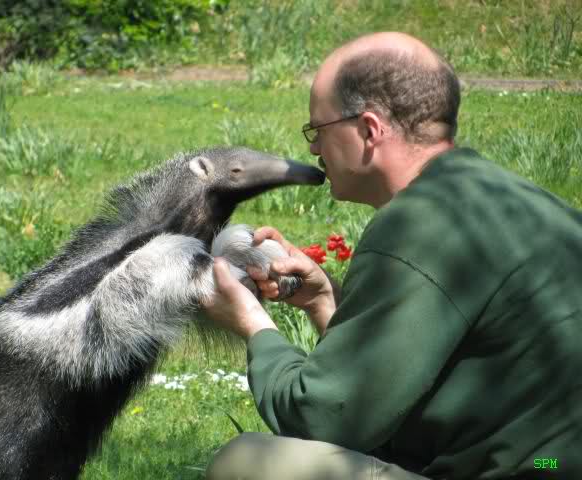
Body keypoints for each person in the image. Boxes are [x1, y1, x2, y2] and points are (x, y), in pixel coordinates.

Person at [202, 32, 582, 479]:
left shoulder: (418, 225)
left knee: (244, 462)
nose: (313, 149)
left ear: (369, 130)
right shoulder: (510, 200)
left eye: (318, 130)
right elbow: (398, 386)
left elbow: (322, 417)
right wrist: (324, 300)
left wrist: (253, 324)